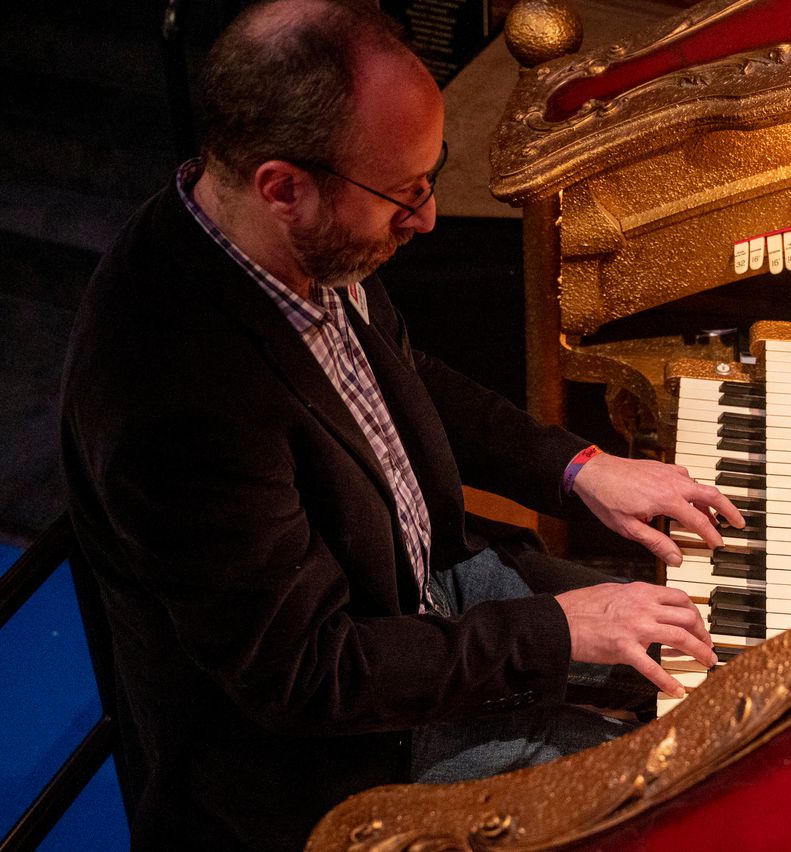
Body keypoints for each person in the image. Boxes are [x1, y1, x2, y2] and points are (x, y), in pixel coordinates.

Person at [59, 1, 742, 848]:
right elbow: (309, 677)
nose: (425, 218)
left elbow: (402, 379)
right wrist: (561, 632)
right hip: (332, 757)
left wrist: (577, 467)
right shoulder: (176, 395)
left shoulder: (296, 241)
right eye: (405, 191)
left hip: (426, 600)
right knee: (696, 788)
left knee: (736, 654)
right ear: (284, 187)